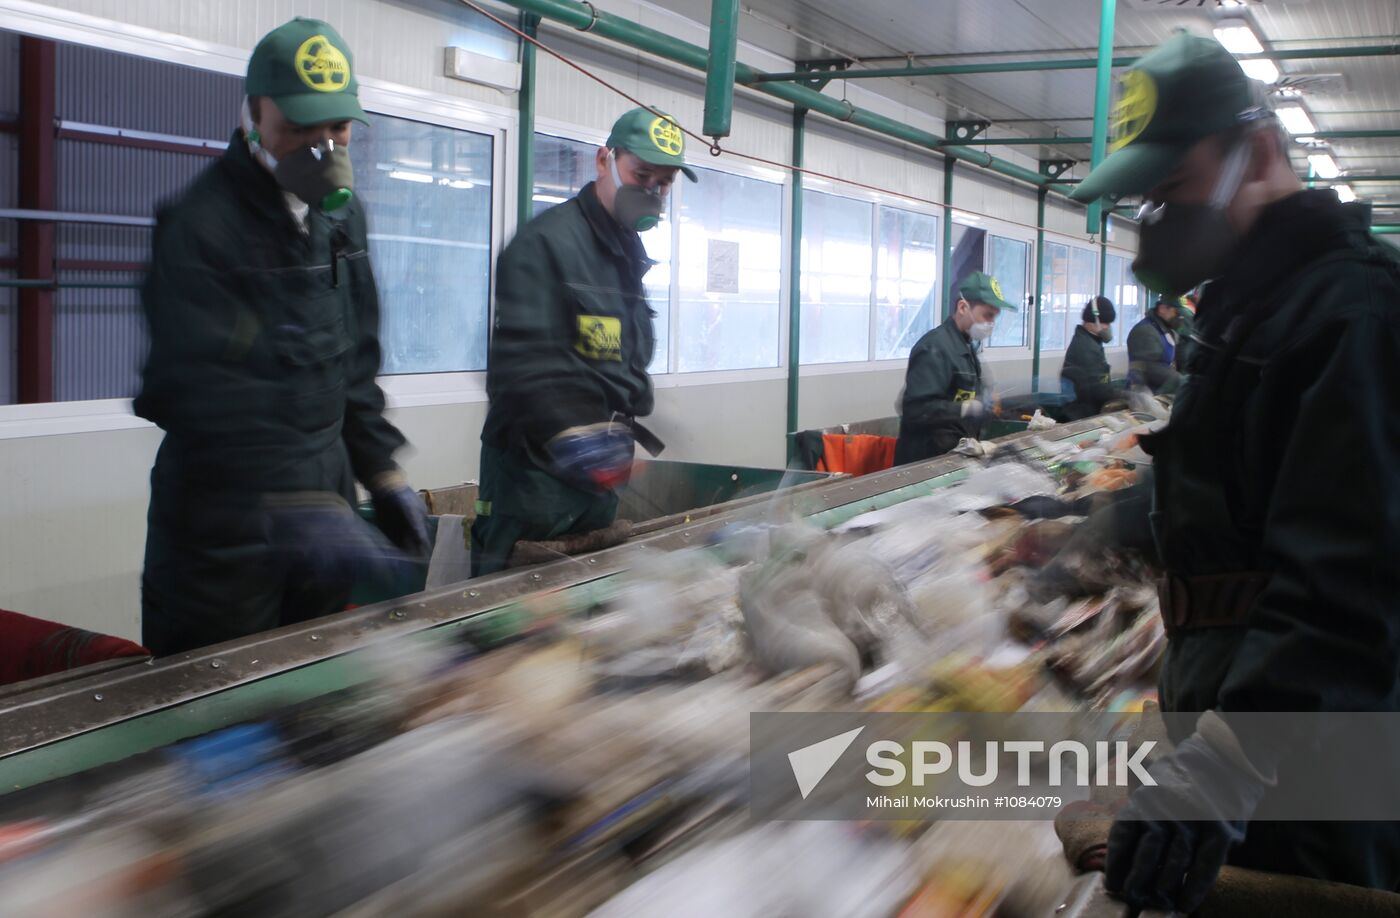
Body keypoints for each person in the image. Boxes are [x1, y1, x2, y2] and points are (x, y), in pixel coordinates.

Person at [1071, 32, 1400, 912]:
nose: (1161, 218)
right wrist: (1120, 523)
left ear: (1255, 151)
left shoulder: (1351, 313)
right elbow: (1251, 478)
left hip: (1314, 754)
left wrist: (1222, 770)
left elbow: (1348, 585)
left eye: (1174, 188)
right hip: (1246, 723)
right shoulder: (1253, 310)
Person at [135, 19, 429, 656]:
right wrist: (288, 505)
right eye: (299, 128)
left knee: (310, 696)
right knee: (216, 710)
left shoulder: (344, 217)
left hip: (323, 505)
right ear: (253, 116)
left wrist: (380, 471)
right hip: (224, 533)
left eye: (338, 129)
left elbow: (355, 362)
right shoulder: (200, 226)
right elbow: (186, 391)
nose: (322, 148)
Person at [470, 108, 696, 576]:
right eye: (641, 174)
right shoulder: (546, 244)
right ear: (603, 161)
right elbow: (518, 364)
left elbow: (613, 357)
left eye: (664, 182)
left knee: (584, 610)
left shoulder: (626, 252)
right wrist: (575, 434)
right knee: (514, 614)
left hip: (600, 475)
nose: (652, 190)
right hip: (536, 478)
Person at [893, 272, 1017, 464]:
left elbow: (961, 392)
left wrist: (986, 400)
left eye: (994, 318)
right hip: (925, 462)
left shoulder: (966, 347)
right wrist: (966, 408)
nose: (991, 324)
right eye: (987, 315)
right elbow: (915, 409)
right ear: (962, 307)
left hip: (951, 457)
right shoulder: (935, 347)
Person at [1059, 295, 1122, 420]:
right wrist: (1126, 395)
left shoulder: (1091, 342)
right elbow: (1099, 390)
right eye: (1106, 323)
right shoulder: (1086, 348)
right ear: (1093, 320)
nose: (1108, 327)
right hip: (1081, 415)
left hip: (1084, 412)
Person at [1126, 294, 1183, 394]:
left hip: (1161, 389)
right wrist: (1177, 379)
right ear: (1162, 309)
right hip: (1145, 395)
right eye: (1175, 312)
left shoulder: (1164, 329)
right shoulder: (1145, 331)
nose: (1179, 317)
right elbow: (1147, 367)